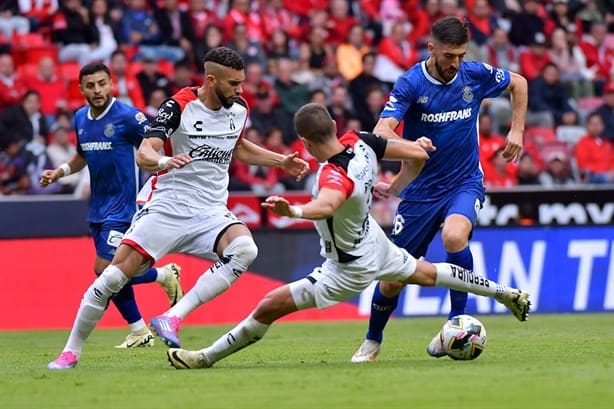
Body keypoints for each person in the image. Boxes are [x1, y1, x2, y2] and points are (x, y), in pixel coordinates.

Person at [163, 103, 530, 369]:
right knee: (428, 273)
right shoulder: (362, 142)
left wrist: (294, 212)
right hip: (376, 243)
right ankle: (506, 293)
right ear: (335, 126)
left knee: (269, 304)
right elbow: (419, 153)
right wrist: (397, 183)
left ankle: (204, 358)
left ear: (304, 142)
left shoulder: (330, 176)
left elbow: (326, 205)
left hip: (347, 267)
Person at [46, 47, 309, 370]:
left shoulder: (238, 107)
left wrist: (279, 160)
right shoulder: (179, 106)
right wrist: (164, 161)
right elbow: (144, 152)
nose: (241, 89)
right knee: (110, 276)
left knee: (244, 249)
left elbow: (238, 147)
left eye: (241, 83)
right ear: (211, 80)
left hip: (210, 210)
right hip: (167, 207)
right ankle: (70, 352)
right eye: (233, 83)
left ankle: (172, 316)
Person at [351, 16, 528, 363]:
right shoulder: (411, 83)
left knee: (453, 237)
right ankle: (372, 340)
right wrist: (409, 144)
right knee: (392, 278)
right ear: (431, 48)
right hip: (420, 192)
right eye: (449, 55)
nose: (455, 63)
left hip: (464, 182)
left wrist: (517, 130)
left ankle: (455, 324)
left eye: (460, 55)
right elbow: (381, 131)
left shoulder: (473, 74)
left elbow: (518, 83)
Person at [40, 62, 184, 354]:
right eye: (90, 85)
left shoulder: (129, 117)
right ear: (81, 89)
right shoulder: (80, 118)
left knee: (104, 270)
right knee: (109, 273)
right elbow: (82, 156)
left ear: (111, 83)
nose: (97, 90)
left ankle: (153, 298)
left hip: (123, 208)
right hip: (98, 208)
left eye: (102, 83)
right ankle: (145, 316)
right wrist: (60, 171)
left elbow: (157, 142)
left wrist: (163, 164)